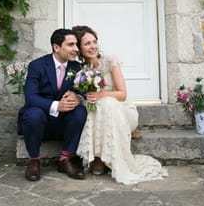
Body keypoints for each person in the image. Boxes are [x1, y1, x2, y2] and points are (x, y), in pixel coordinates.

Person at [72, 25, 168, 185]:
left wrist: (101, 94)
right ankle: (99, 156)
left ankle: (101, 159)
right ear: (80, 48)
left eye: (94, 42)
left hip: (122, 111)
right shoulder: (81, 71)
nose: (92, 46)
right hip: (100, 113)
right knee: (95, 105)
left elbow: (122, 94)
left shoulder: (110, 61)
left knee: (107, 102)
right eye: (87, 43)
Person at [17, 28, 88, 181]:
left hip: (64, 122)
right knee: (32, 114)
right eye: (71, 45)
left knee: (80, 112)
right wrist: (56, 105)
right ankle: (34, 160)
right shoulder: (37, 65)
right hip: (40, 120)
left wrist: (78, 97)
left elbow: (84, 92)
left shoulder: (76, 68)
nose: (76, 49)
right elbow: (30, 97)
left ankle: (65, 159)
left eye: (76, 44)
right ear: (56, 47)